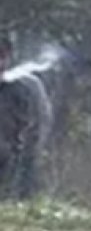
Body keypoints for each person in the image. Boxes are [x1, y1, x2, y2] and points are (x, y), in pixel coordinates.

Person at [0, 37, 52, 200]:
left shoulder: (21, 89)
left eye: (2, 57)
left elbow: (35, 121)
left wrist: (23, 146)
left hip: (7, 155)